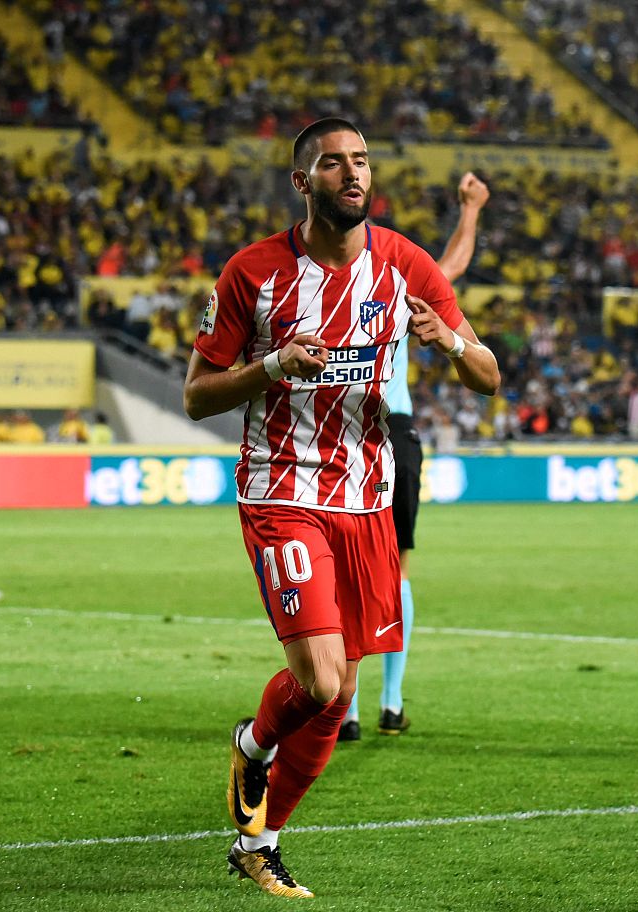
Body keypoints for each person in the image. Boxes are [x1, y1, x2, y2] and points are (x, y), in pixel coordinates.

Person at [183, 118, 499, 898]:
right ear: (304, 183)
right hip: (283, 488)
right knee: (321, 682)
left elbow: (489, 374)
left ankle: (259, 842)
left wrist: (449, 344)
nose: (352, 174)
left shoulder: (404, 265)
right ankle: (254, 743)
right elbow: (196, 395)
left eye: (362, 160)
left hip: (368, 500)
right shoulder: (252, 274)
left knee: (342, 695)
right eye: (334, 163)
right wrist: (270, 366)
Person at [339, 171, 490, 743]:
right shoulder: (394, 278)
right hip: (392, 430)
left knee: (341, 564)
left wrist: (472, 209)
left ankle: (345, 710)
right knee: (394, 565)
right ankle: (390, 702)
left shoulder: (313, 283)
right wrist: (472, 210)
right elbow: (451, 265)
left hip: (334, 434)